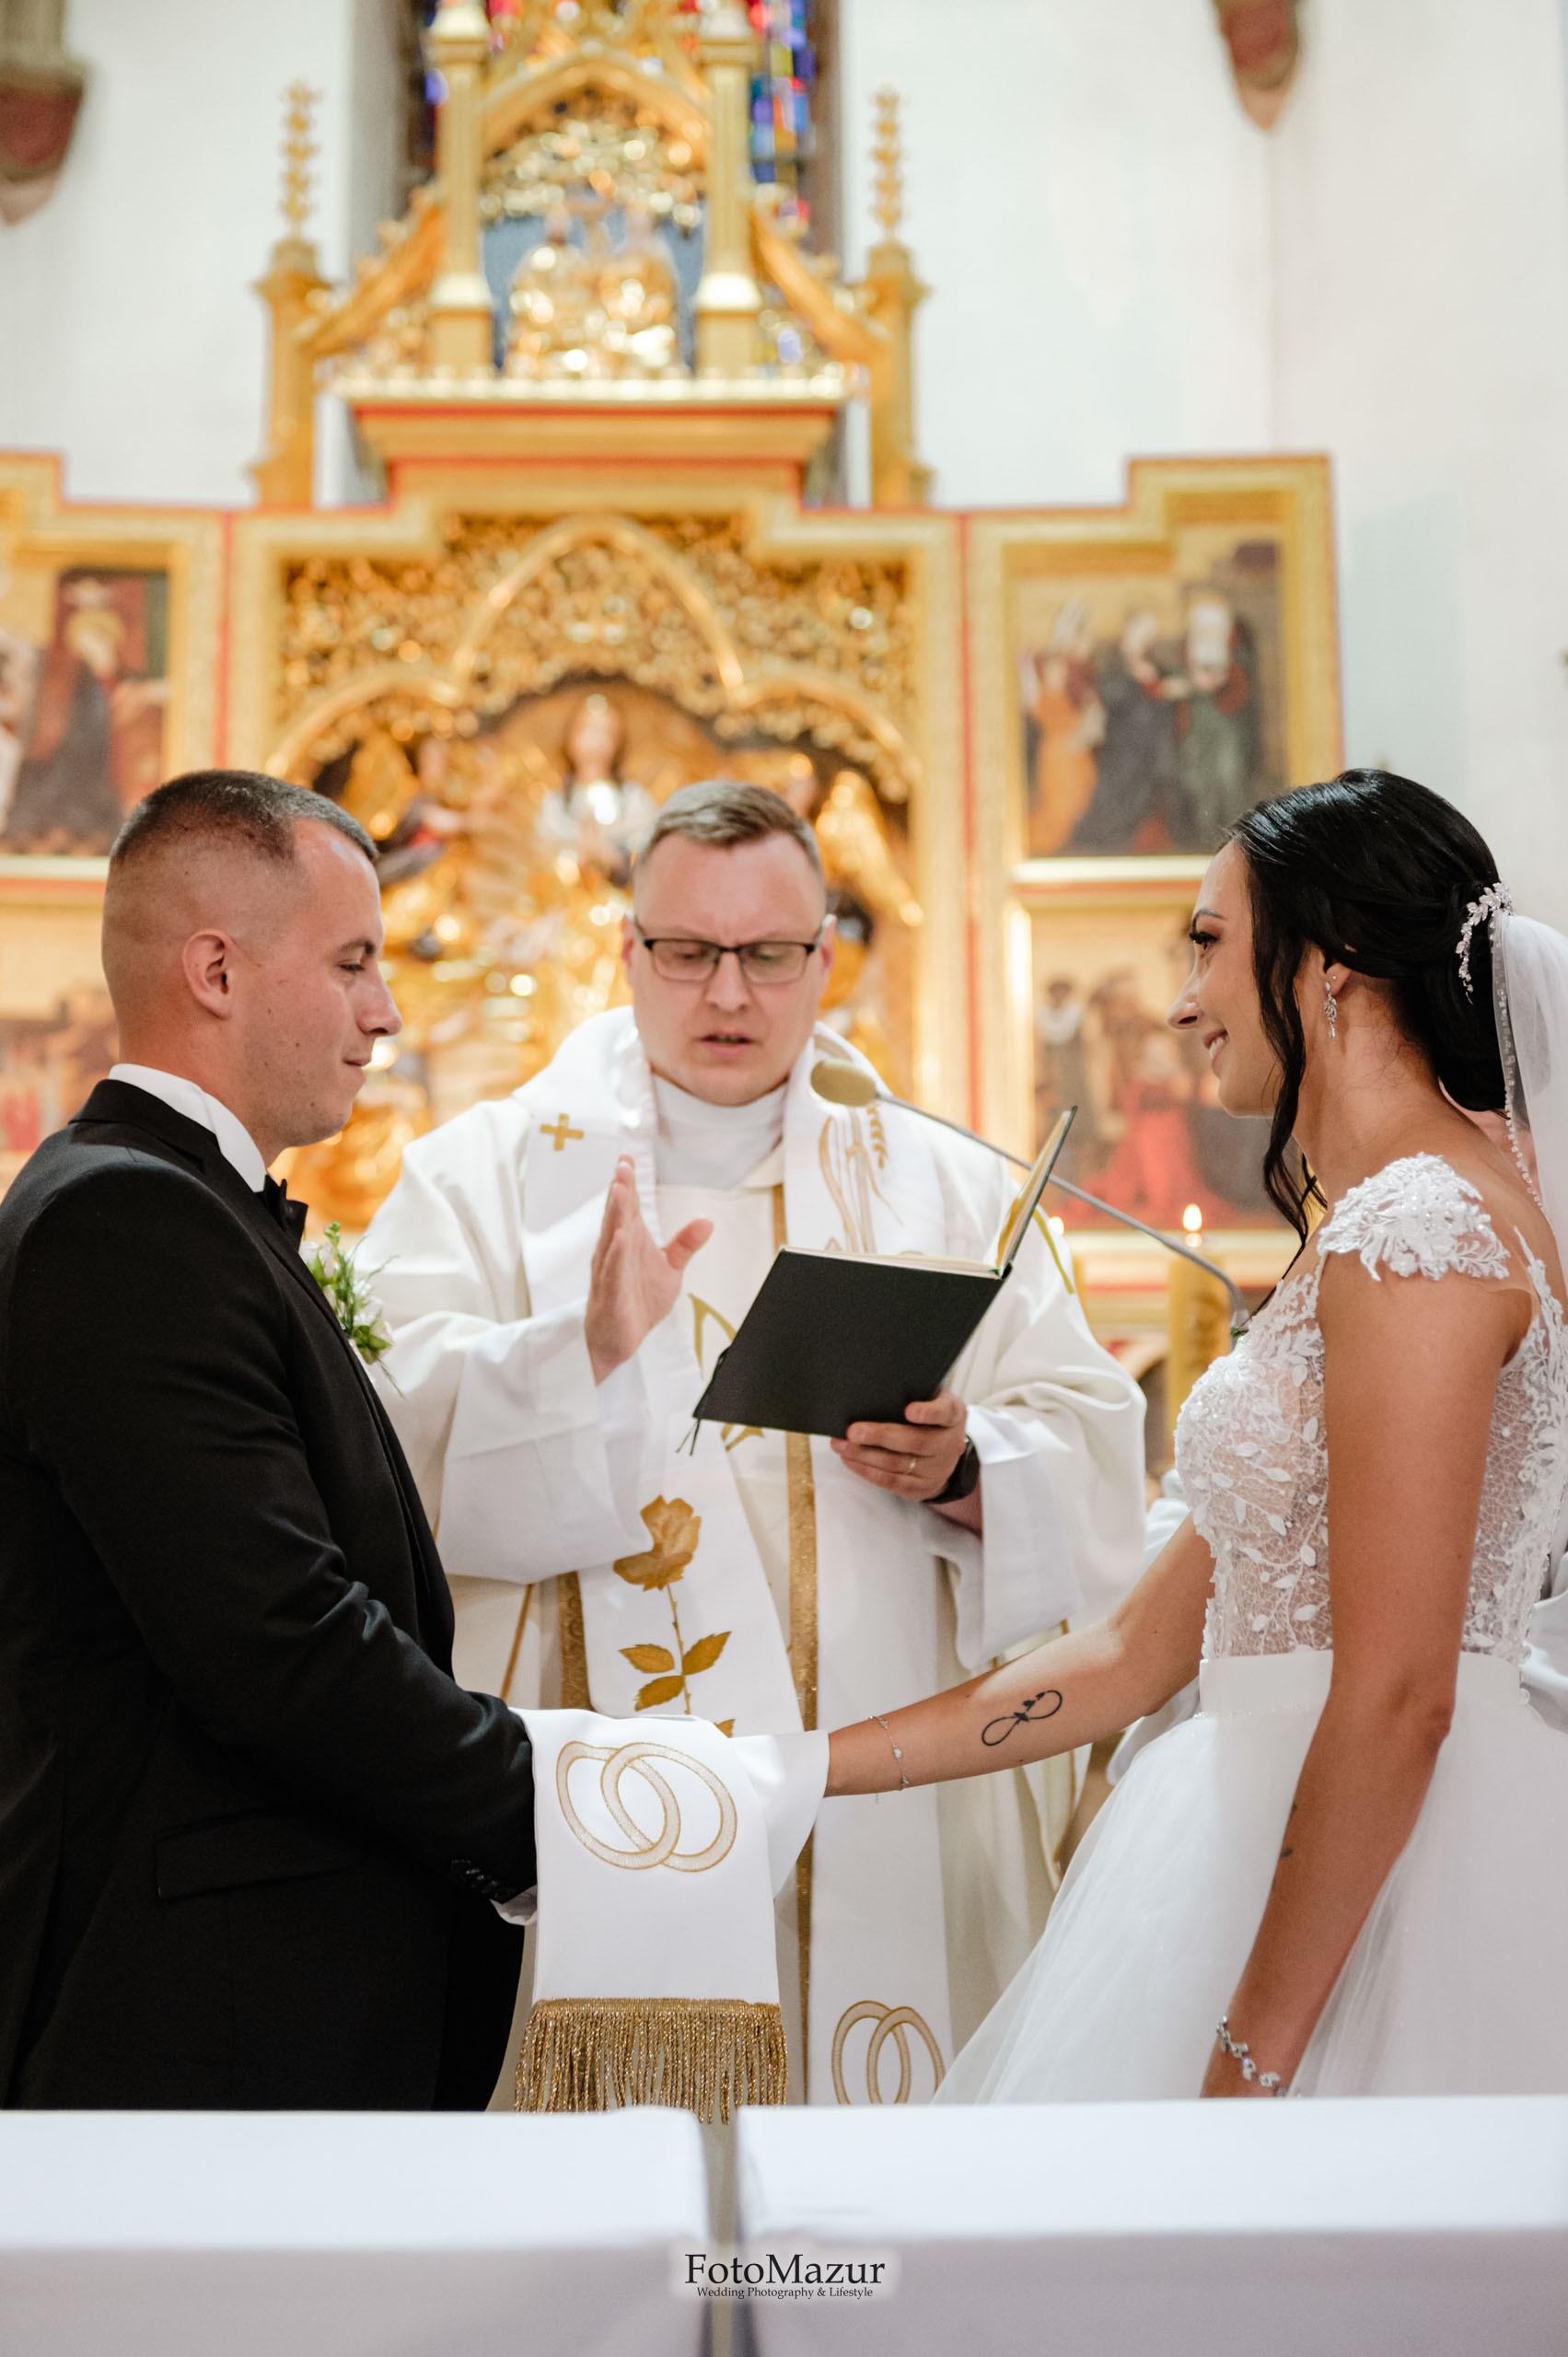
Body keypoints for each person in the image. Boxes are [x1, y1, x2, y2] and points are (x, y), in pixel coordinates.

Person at [364, 779, 1146, 2104]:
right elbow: (385, 1434)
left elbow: (1091, 1441)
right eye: (687, 951)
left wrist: (967, 1470)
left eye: (770, 954)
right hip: (589, 1808)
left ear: (826, 958)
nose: (728, 993)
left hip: (885, 1796)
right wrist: (574, 1359)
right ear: (628, 952)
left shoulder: (946, 1183)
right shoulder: (480, 1179)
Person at [826, 769, 1568, 2100]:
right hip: (1259, 1821)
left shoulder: (1421, 1239)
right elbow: (1128, 1658)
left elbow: (1400, 1698)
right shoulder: (1377, 1228)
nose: (1180, 1001)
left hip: (1398, 1884)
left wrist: (1248, 2067)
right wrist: (791, 1776)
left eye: (1210, 943)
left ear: (1329, 964)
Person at [0, 770, 537, 2109]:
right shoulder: (125, 1224)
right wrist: (554, 1808)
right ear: (217, 971)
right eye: (353, 962)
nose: (387, 1010)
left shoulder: (182, 1209)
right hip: (189, 2017)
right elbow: (278, 1640)